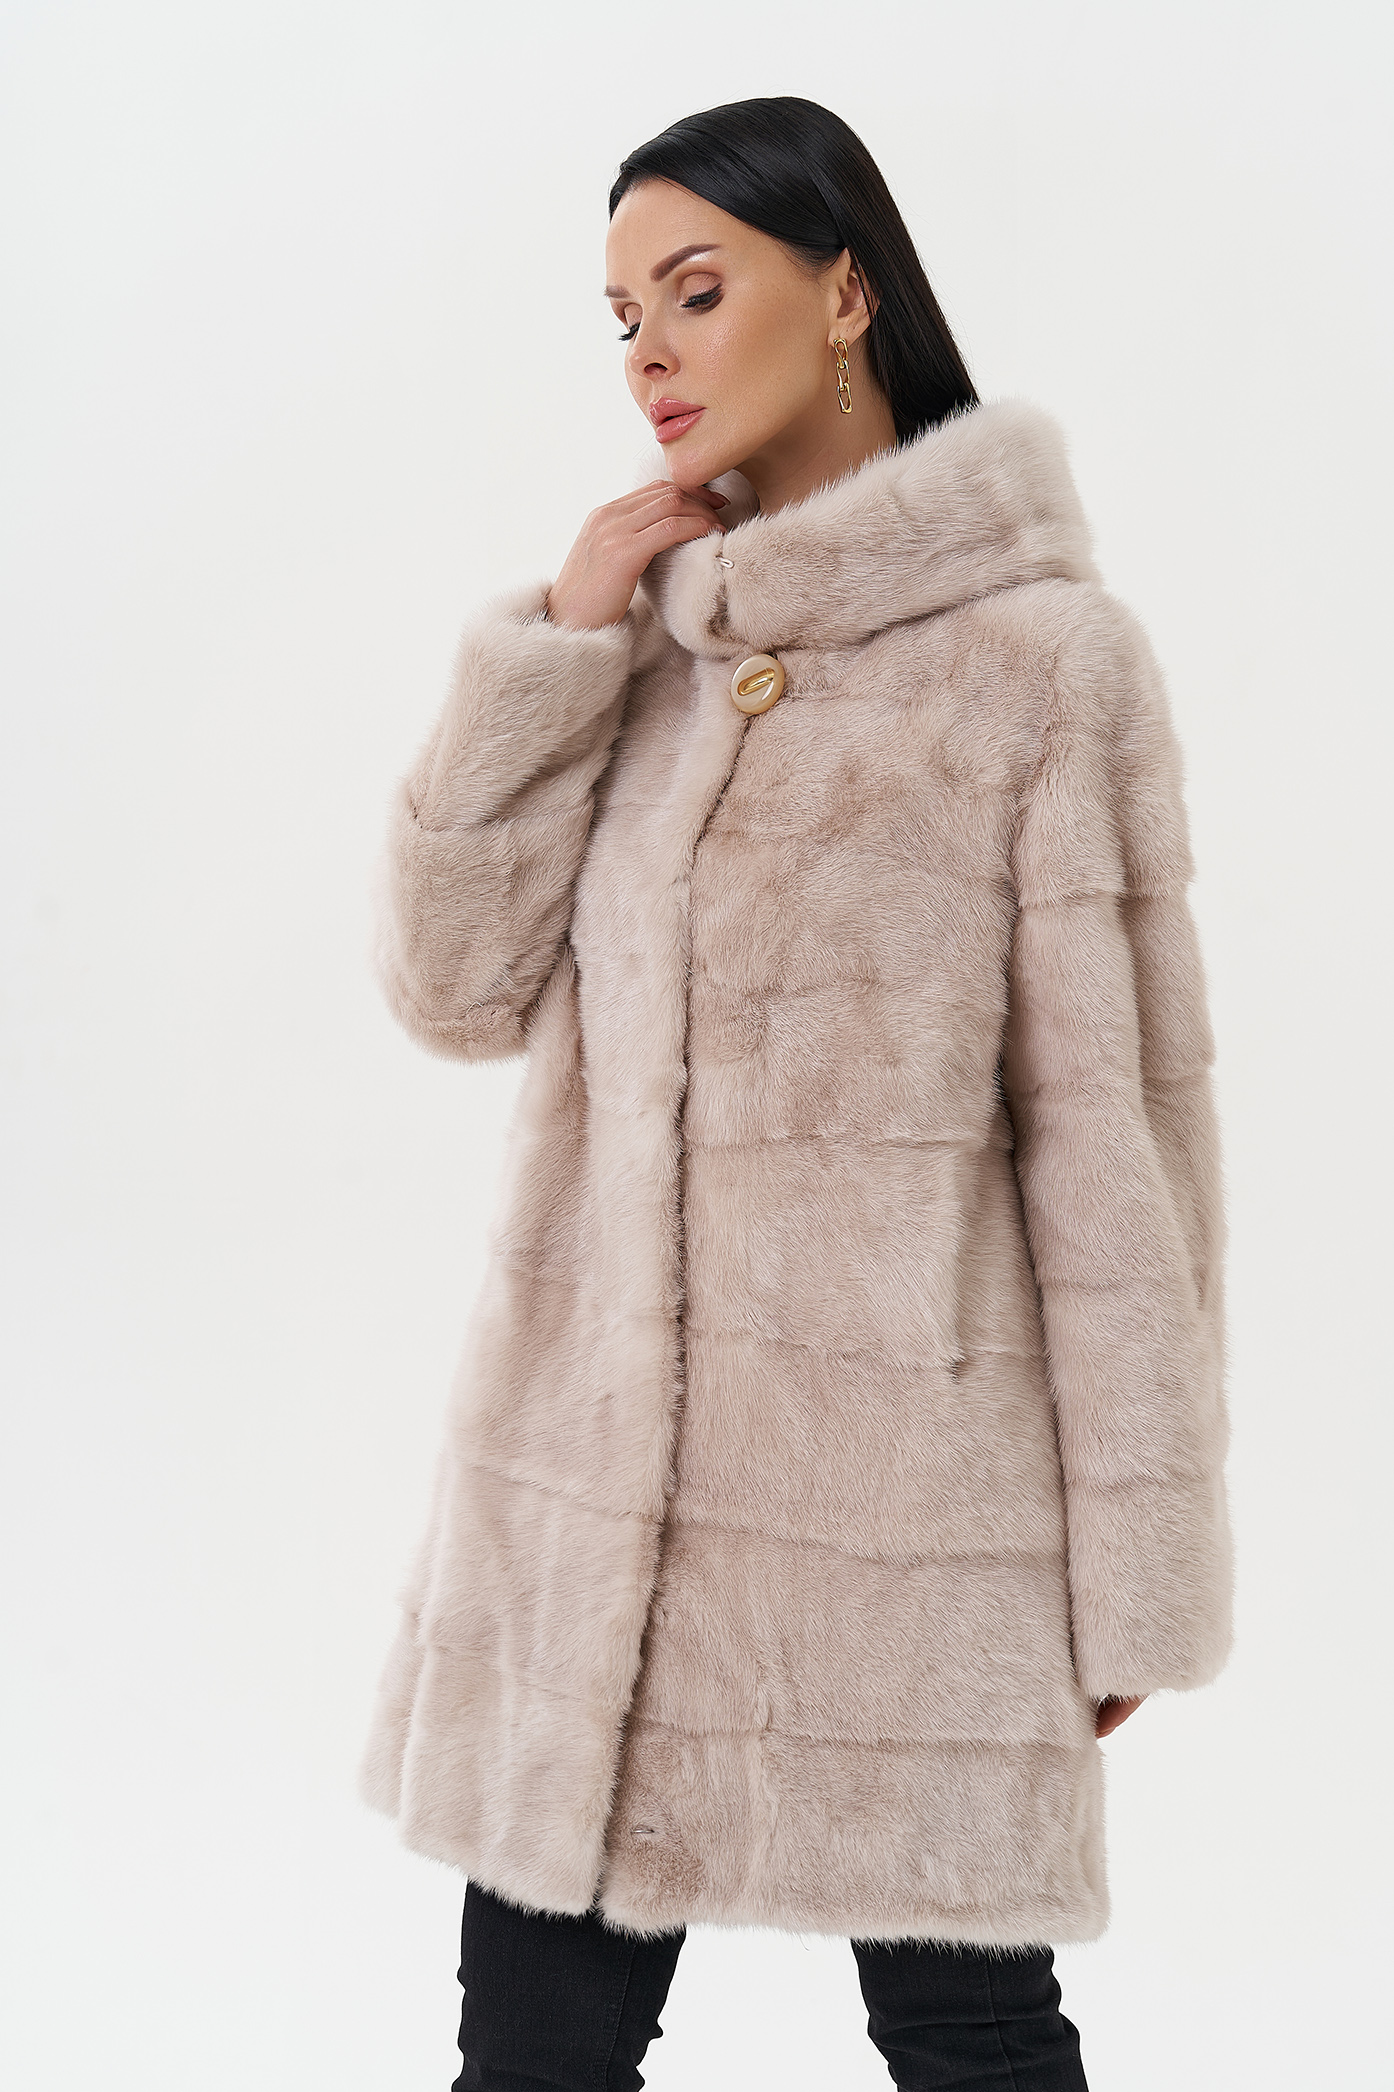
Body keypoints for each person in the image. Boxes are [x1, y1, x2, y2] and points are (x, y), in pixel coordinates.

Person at [360, 96, 1234, 2091]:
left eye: (695, 290)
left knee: (969, 2036)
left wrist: (1136, 1566)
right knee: (531, 2054)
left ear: (845, 292)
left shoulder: (1044, 666)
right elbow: (450, 992)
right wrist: (554, 648)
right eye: (621, 318)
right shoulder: (635, 651)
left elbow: (1115, 1146)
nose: (650, 355)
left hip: (911, 1528)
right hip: (596, 1536)